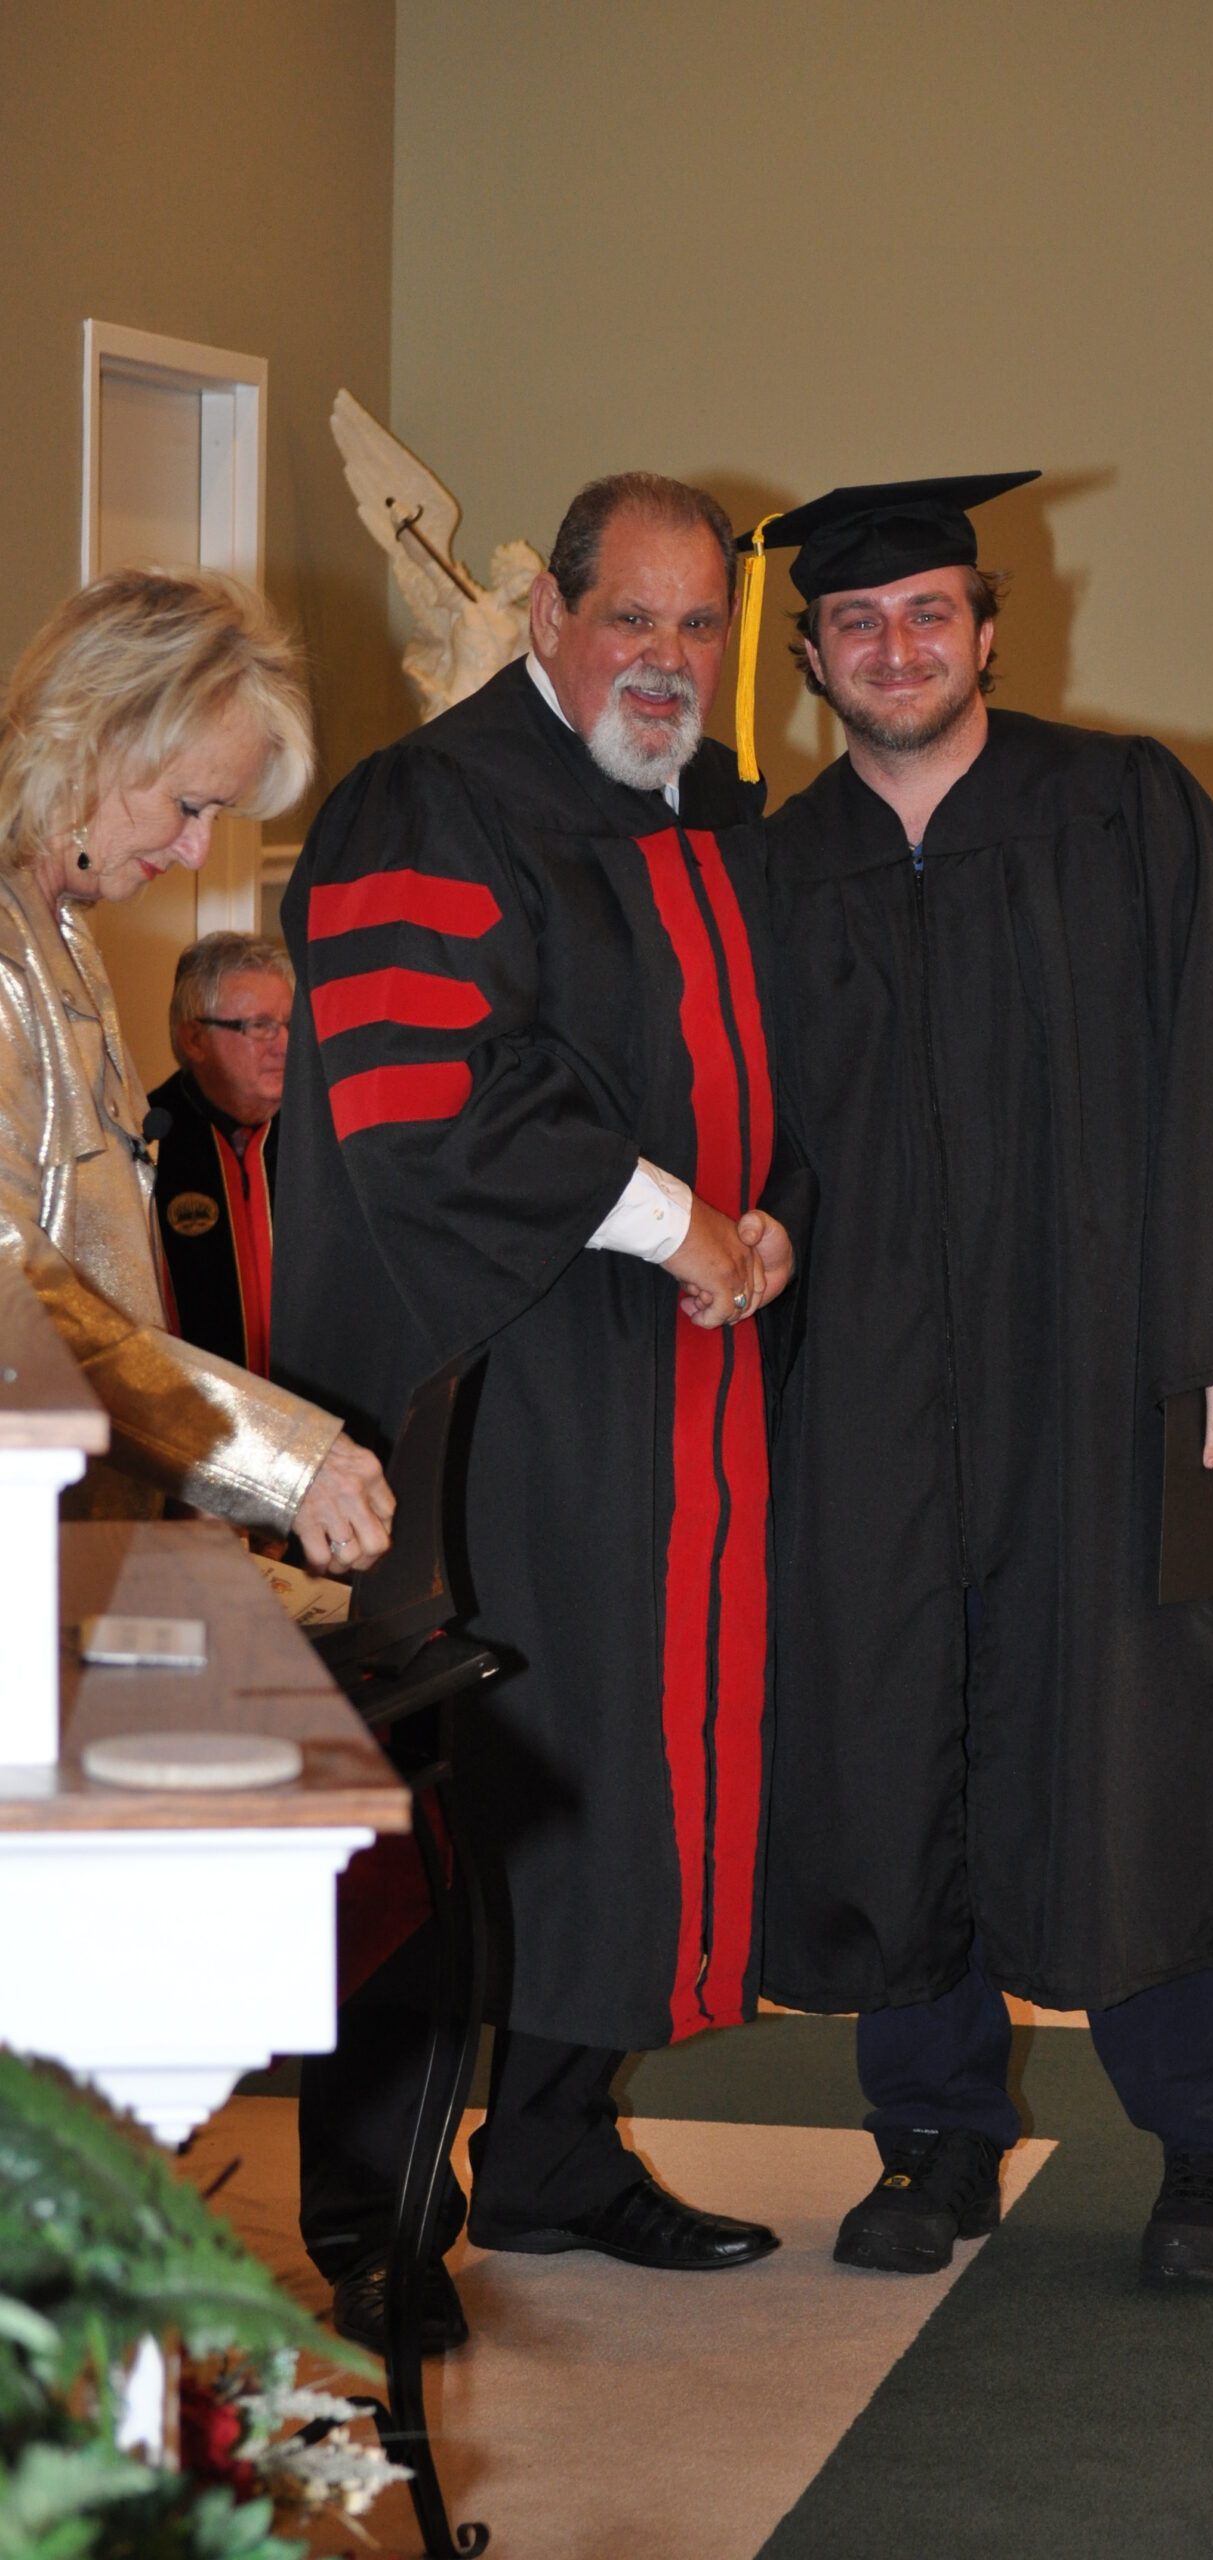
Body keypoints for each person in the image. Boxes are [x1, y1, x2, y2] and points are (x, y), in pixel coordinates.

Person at [743, 476, 1213, 2288]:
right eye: (859, 623)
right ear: (811, 658)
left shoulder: (1128, 808)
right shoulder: (778, 866)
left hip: (1100, 1371)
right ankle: (929, 2133)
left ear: (991, 628)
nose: (898, 648)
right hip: (857, 1382)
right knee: (883, 1735)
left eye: (930, 613)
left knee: (1137, 1744)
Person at [273, 472, 804, 2356]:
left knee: (620, 1782)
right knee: (459, 1797)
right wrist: (688, 1226)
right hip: (481, 1384)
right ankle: (374, 2225)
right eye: (632, 619)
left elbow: (754, 1064)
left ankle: (562, 2152)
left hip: (658, 1381)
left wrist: (766, 1218)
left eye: (698, 626)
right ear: (547, 620)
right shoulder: (434, 804)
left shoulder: (693, 813)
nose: (667, 660)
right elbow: (435, 1101)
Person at [0, 566, 393, 1572]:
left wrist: (179, 1482)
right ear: (92, 739)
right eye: (186, 804)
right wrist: (274, 1459)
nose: (195, 848)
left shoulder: (64, 932)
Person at [151, 932, 294, 1375]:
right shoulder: (143, 1141)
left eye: (291, 1024)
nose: (285, 1044)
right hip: (194, 1421)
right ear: (194, 1039)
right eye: (260, 1025)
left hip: (322, 1420)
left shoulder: (324, 1141)